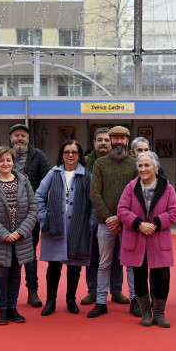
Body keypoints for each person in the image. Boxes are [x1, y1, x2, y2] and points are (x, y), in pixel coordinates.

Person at [117, 151, 176, 327]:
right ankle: (145, 313)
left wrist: (156, 223)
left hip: (158, 238)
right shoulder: (131, 187)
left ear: (156, 167)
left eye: (147, 165)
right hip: (136, 239)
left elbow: (174, 212)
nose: (143, 169)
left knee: (163, 277)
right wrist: (138, 224)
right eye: (140, 165)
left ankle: (159, 313)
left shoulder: (167, 188)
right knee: (139, 276)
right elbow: (122, 210)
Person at [0, 146, 38, 325]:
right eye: (1, 160)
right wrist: (4, 234)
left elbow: (33, 208)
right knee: (1, 272)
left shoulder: (24, 181)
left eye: (9, 160)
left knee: (16, 272)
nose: (5, 163)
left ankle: (13, 308)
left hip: (20, 237)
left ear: (13, 161)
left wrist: (20, 231)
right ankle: (3, 310)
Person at [36, 139, 96, 315]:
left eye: (74, 152)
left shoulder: (87, 176)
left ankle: (71, 300)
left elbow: (93, 203)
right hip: (55, 227)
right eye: (67, 152)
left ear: (80, 155)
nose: (70, 155)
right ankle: (50, 301)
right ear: (61, 155)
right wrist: (43, 216)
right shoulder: (52, 174)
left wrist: (91, 222)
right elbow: (39, 195)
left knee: (74, 267)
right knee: (53, 267)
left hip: (78, 229)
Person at [88, 125, 138, 318]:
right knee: (104, 263)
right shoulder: (99, 163)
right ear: (109, 141)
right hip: (105, 223)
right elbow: (94, 192)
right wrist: (110, 217)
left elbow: (136, 194)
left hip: (128, 223)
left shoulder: (135, 164)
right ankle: (101, 302)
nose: (118, 142)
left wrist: (120, 218)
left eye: (122, 138)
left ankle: (135, 300)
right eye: (114, 138)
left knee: (131, 264)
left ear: (127, 141)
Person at [80, 127, 125, 305]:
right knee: (93, 256)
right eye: (100, 140)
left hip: (117, 217)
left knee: (117, 256)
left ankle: (116, 290)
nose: (104, 143)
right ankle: (92, 291)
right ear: (94, 143)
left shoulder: (121, 161)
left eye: (107, 140)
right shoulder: (85, 162)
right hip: (91, 217)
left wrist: (117, 216)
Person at [8, 123, 51, 307]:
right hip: (6, 214)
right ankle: (6, 292)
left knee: (29, 253)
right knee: (7, 253)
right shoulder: (3, 155)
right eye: (16, 135)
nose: (19, 138)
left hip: (30, 214)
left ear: (28, 138)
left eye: (23, 136)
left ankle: (32, 291)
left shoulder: (39, 156)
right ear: (11, 138)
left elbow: (48, 183)